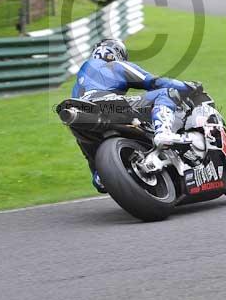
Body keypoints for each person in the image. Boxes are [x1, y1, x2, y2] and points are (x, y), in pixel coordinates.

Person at [70, 38, 195, 193]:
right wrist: (187, 86)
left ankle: (100, 176)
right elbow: (154, 82)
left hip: (80, 117)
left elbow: (89, 153)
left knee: (91, 156)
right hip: (109, 105)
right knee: (165, 93)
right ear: (118, 54)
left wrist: (101, 171)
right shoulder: (116, 65)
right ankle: (164, 132)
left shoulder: (77, 86)